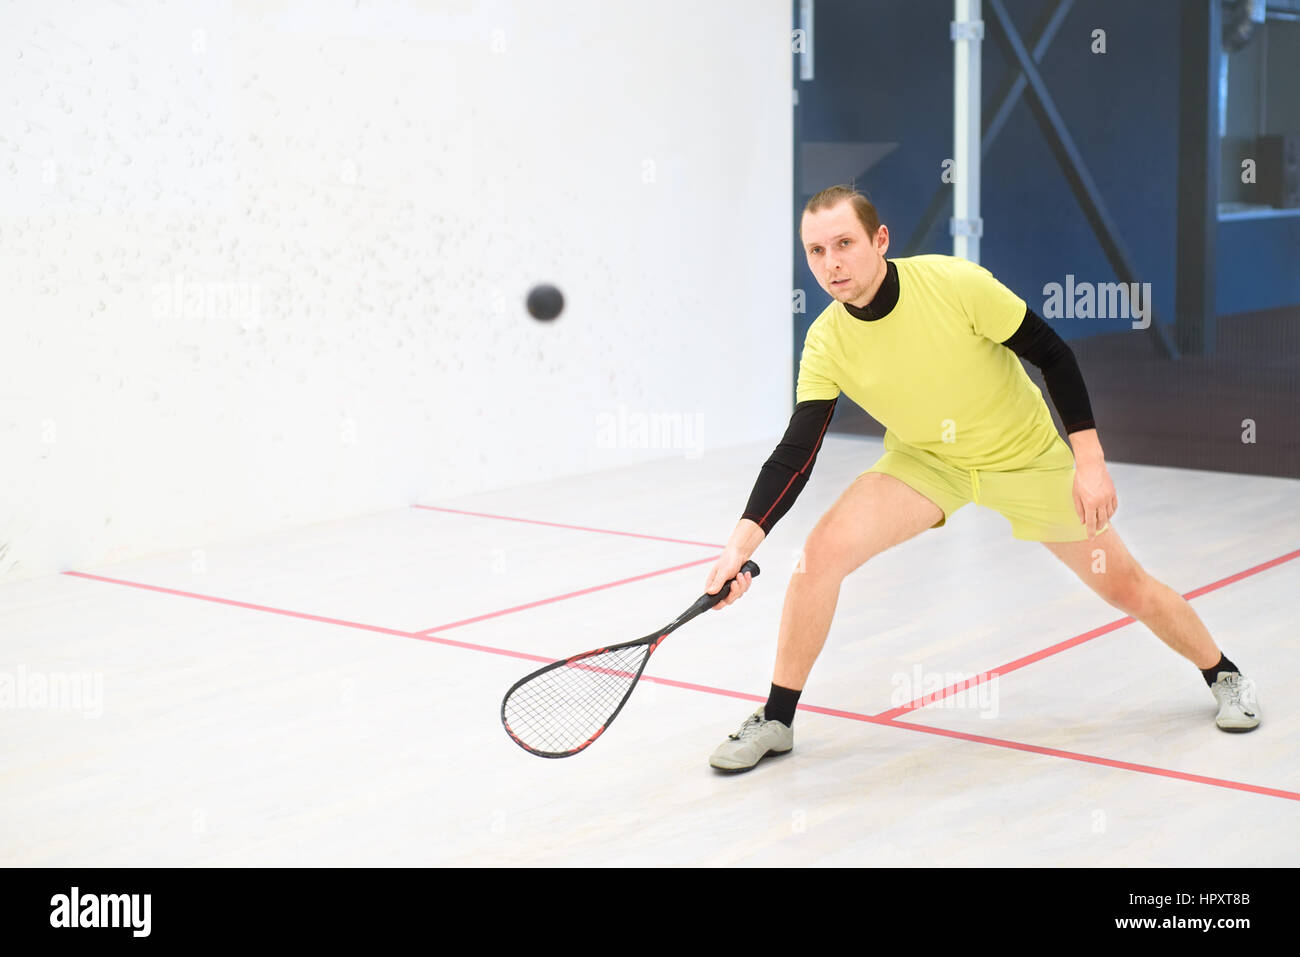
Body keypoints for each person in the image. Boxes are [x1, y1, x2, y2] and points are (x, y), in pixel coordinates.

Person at [705, 185, 1260, 773]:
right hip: (927, 462)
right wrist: (737, 550)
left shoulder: (953, 284)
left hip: (1023, 456)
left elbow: (1054, 354)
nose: (830, 263)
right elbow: (797, 452)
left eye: (844, 243)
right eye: (815, 251)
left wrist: (1089, 462)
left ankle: (1223, 673)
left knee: (1126, 586)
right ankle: (776, 718)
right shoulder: (826, 341)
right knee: (819, 556)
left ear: (880, 240)